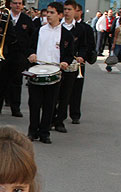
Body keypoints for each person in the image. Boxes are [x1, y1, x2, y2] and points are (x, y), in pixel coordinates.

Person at [26, 1, 74, 144]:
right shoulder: (39, 30)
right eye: (47, 12)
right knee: (34, 104)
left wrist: (65, 62)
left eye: (52, 13)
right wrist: (31, 55)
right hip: (37, 71)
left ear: (60, 15)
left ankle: (44, 133)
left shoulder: (66, 35)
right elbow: (30, 47)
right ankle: (32, 131)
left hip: (54, 73)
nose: (48, 15)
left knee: (49, 105)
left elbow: (69, 54)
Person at [51, 0, 85, 134]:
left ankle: (60, 120)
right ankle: (51, 118)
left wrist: (81, 56)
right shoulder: (58, 27)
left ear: (76, 11)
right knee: (54, 93)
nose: (66, 12)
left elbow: (84, 46)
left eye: (69, 9)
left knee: (66, 94)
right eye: (65, 9)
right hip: (56, 64)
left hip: (71, 66)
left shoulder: (81, 28)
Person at [0, 0, 34, 118]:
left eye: (20, 3)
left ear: (22, 5)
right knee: (1, 81)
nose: (18, 5)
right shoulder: (4, 17)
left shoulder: (27, 20)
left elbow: (31, 37)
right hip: (5, 53)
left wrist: (28, 54)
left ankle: (15, 108)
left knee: (16, 82)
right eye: (15, 3)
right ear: (10, 4)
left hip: (19, 55)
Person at [69, 2, 95, 125]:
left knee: (76, 90)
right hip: (65, 62)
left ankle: (75, 114)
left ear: (79, 12)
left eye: (76, 10)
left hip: (79, 63)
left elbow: (90, 45)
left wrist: (83, 56)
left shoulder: (86, 28)